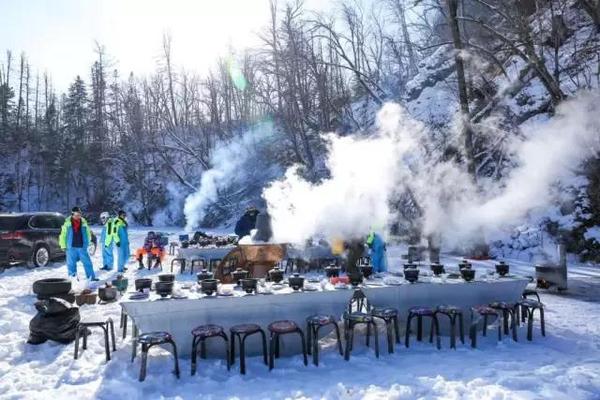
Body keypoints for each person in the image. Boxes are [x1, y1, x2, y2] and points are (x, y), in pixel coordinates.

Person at [59, 206, 98, 281]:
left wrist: (88, 242)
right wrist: (63, 245)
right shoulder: (67, 223)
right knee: (71, 265)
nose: (78, 216)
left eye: (79, 214)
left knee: (87, 263)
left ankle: (91, 278)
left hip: (82, 247)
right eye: (76, 214)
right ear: (72, 214)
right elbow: (63, 235)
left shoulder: (83, 222)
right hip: (71, 248)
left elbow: (88, 233)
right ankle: (73, 280)